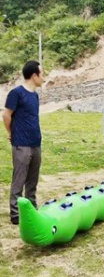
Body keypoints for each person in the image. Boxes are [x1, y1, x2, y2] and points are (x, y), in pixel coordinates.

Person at [2, 60, 45, 225]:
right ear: (34, 75)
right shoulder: (16, 93)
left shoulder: (35, 95)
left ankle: (31, 209)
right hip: (21, 144)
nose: (43, 77)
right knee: (19, 179)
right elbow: (6, 115)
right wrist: (11, 133)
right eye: (42, 74)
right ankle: (15, 214)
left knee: (32, 180)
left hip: (36, 142)